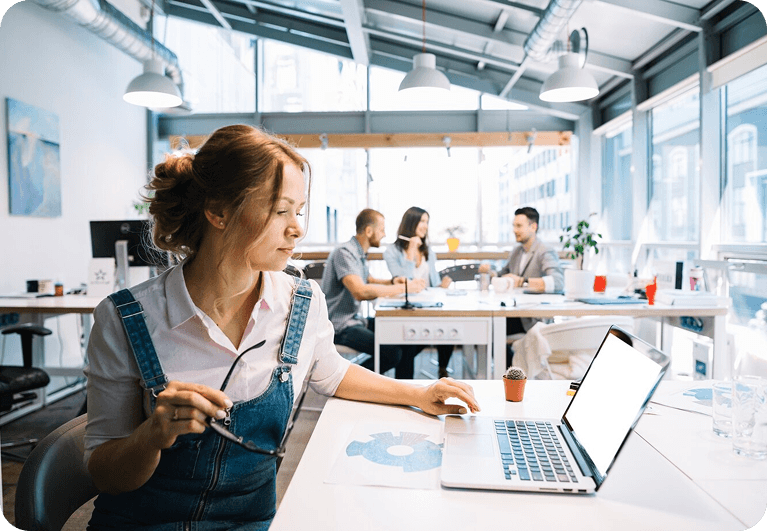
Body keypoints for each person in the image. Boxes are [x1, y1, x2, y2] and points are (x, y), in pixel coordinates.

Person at [83, 125, 480, 531]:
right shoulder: (124, 319)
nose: (297, 229)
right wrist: (150, 436)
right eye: (280, 210)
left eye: (300, 211)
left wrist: (419, 393)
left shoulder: (300, 302)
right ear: (218, 211)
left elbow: (333, 372)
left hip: (251, 522)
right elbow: (105, 474)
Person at [322, 209, 426, 379]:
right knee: (392, 354)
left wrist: (394, 281)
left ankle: (405, 392)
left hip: (355, 320)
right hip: (339, 325)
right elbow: (360, 291)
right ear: (369, 231)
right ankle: (346, 381)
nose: (384, 235)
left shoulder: (358, 253)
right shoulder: (345, 252)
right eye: (382, 230)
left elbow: (368, 280)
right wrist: (405, 288)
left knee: (406, 338)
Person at [479, 207, 564, 362]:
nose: (514, 230)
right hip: (517, 312)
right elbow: (503, 273)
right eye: (513, 225)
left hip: (532, 319)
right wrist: (490, 271)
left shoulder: (544, 251)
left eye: (519, 226)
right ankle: (513, 368)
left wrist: (523, 281)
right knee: (483, 327)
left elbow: (558, 282)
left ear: (533, 227)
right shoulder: (517, 251)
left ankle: (513, 370)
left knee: (488, 330)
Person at [383, 206, 455, 378]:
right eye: (422, 221)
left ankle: (442, 369)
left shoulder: (428, 252)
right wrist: (410, 252)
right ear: (411, 223)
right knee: (408, 343)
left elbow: (434, 284)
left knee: (448, 324)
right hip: (405, 308)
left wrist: (442, 286)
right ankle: (404, 385)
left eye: (427, 222)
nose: (425, 226)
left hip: (427, 306)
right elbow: (402, 282)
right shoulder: (391, 252)